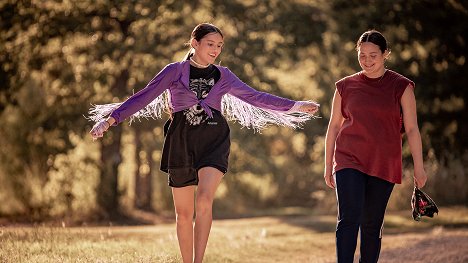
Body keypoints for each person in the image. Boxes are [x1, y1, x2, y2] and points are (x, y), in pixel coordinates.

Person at [89, 23, 319, 263]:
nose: (216, 50)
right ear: (194, 43)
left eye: (219, 45)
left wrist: (294, 105)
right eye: (210, 44)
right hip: (180, 142)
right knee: (184, 214)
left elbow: (256, 96)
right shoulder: (174, 71)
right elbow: (144, 96)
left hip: (214, 140)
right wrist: (110, 120)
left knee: (205, 200)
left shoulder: (224, 75)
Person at [323, 30, 427, 263]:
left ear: (385, 54)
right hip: (348, 159)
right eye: (362, 56)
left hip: (384, 162)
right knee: (348, 219)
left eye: (373, 56)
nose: (367, 61)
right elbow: (333, 127)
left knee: (372, 224)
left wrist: (419, 168)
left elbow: (411, 129)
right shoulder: (344, 86)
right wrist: (328, 164)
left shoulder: (401, 86)